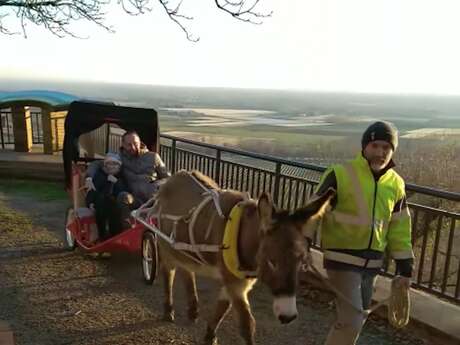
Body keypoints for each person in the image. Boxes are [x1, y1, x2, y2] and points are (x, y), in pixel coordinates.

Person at [312, 121, 413, 345]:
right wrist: (302, 243)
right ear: (365, 146)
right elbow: (312, 212)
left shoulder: (396, 184)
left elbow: (400, 227)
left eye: (386, 148)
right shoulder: (340, 174)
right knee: (353, 320)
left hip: (373, 264)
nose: (380, 152)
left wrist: (405, 267)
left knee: (356, 319)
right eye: (375, 146)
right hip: (341, 260)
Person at [86, 131, 170, 229]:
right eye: (129, 145)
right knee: (123, 196)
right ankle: (127, 230)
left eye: (136, 143)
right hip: (134, 198)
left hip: (153, 199)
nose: (133, 147)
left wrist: (157, 184)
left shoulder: (153, 157)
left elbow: (168, 177)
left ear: (140, 142)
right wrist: (89, 177)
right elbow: (96, 164)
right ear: (123, 145)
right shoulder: (119, 158)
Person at [85, 152, 126, 240]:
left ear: (119, 166)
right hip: (100, 202)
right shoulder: (100, 175)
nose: (111, 166)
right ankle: (102, 235)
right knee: (101, 207)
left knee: (114, 210)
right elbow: (93, 190)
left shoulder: (121, 177)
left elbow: (125, 189)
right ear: (105, 165)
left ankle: (115, 234)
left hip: (115, 202)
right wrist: (90, 202)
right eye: (109, 164)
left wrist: (116, 182)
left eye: (114, 164)